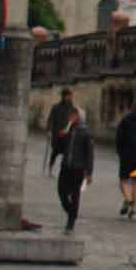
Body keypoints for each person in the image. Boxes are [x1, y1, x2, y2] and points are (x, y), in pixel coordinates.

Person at [56, 106, 94, 234]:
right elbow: (60, 148)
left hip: (78, 168)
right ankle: (72, 212)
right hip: (66, 166)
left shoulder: (85, 133)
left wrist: (89, 173)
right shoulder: (68, 130)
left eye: (74, 115)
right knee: (61, 191)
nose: (71, 117)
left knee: (75, 194)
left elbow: (89, 154)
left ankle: (70, 222)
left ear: (80, 117)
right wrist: (60, 137)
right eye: (71, 115)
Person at [45, 88, 75, 174]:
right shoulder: (56, 107)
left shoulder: (72, 108)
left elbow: (74, 121)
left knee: (66, 154)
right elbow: (50, 120)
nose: (70, 97)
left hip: (67, 135)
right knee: (54, 153)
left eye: (70, 96)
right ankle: (50, 168)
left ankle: (63, 171)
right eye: (69, 96)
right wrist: (49, 131)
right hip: (57, 135)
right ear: (64, 96)